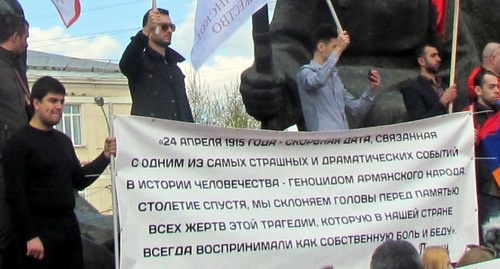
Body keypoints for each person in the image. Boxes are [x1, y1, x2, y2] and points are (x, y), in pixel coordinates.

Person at [1, 76, 117, 268]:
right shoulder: (18, 144)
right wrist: (31, 236)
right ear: (35, 103)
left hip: (69, 231)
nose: (58, 107)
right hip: (38, 237)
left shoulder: (63, 141)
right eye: (52, 101)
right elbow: (15, 195)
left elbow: (79, 180)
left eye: (62, 102)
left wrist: (104, 156)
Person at [297, 24, 380, 131]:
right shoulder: (305, 72)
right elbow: (317, 80)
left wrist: (371, 89)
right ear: (321, 47)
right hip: (322, 143)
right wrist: (339, 48)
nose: (338, 52)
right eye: (334, 47)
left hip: (342, 141)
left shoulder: (335, 79)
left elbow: (356, 109)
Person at [119, 7, 193, 122]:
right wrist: (145, 30)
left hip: (178, 135)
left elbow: (185, 109)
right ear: (150, 31)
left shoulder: (174, 68)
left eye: (171, 27)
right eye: (164, 27)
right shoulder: (140, 62)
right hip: (150, 135)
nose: (169, 30)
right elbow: (125, 64)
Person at [0, 2, 29, 267]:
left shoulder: (16, 70)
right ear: (15, 36)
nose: (27, 44)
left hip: (19, 165)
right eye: (26, 38)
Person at [469, 69, 500, 245]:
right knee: (493, 244)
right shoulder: (468, 117)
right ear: (479, 90)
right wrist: (468, 140)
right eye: (491, 87)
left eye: (498, 86)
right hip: (488, 191)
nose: (497, 90)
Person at [400, 44, 457, 120]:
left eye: (438, 55)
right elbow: (419, 121)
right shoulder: (412, 88)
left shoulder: (443, 86)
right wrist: (443, 101)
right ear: (422, 61)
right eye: (433, 56)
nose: (438, 59)